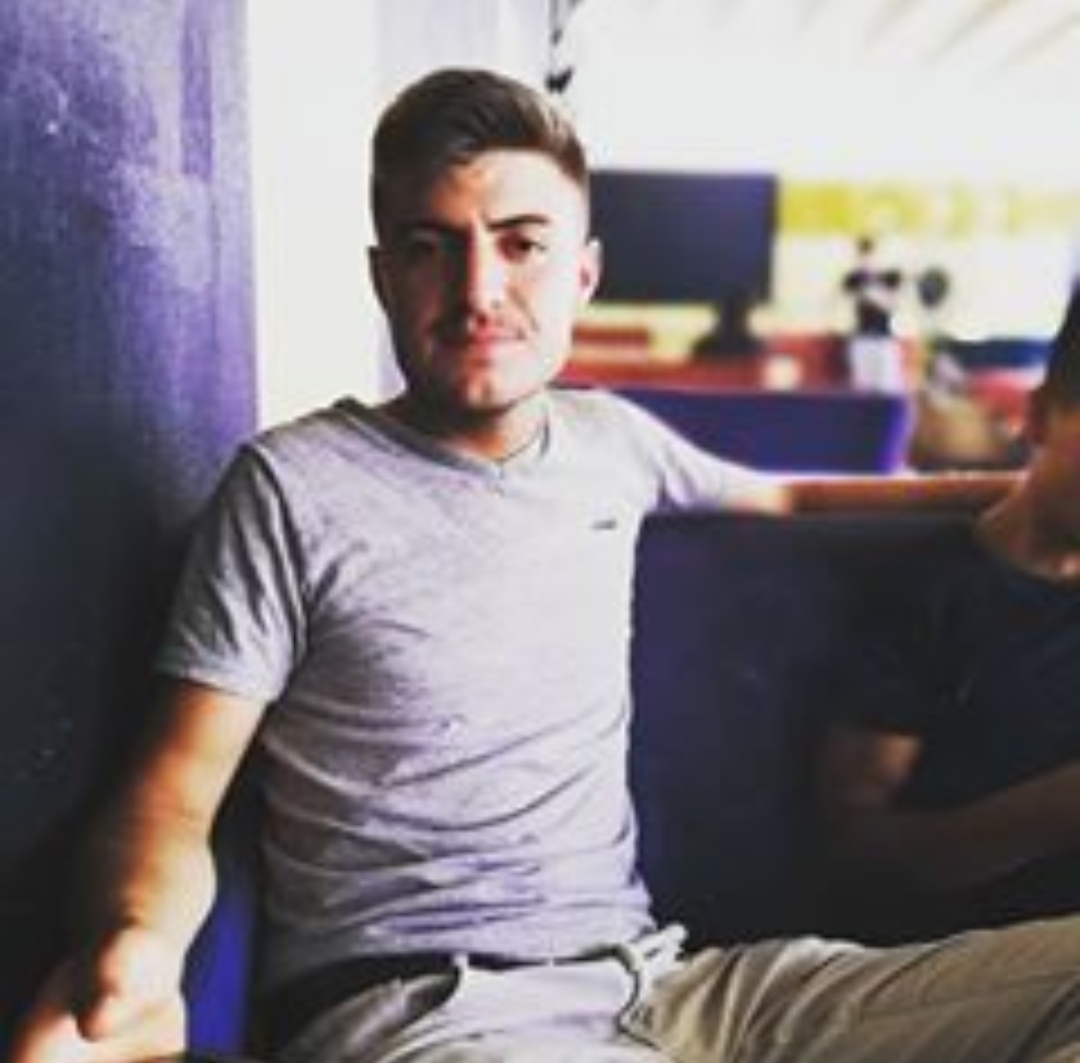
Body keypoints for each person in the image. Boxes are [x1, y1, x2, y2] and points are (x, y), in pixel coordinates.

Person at [11, 67, 1071, 1063]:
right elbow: (172, 793)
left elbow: (792, 498)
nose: (479, 289)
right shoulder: (290, 486)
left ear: (584, 274)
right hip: (434, 1008)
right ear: (383, 277)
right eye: (431, 246)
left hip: (665, 990)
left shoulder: (611, 442)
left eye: (521, 244)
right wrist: (137, 944)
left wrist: (1028, 488)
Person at [816, 293, 1080, 944]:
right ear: (1039, 417)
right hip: (969, 962)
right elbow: (854, 851)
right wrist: (1052, 812)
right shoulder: (929, 592)